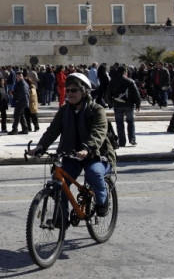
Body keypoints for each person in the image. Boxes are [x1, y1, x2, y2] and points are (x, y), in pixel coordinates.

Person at [28, 73, 116, 217]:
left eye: (74, 90)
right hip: (71, 155)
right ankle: (61, 217)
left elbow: (98, 132)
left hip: (95, 155)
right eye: (67, 90)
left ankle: (102, 201)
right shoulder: (64, 110)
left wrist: (87, 148)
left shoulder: (97, 110)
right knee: (58, 182)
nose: (69, 93)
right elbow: (53, 130)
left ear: (84, 91)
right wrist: (41, 146)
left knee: (93, 173)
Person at [107, 65, 141, 147]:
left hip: (117, 104)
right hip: (129, 104)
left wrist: (110, 103)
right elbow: (136, 94)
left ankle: (122, 141)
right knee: (131, 122)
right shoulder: (130, 81)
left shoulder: (112, 81)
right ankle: (132, 139)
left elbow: (108, 94)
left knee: (119, 123)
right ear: (125, 72)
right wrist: (138, 104)